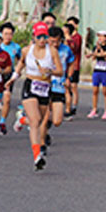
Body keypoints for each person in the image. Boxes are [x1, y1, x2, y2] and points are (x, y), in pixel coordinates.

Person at [8, 21, 63, 171]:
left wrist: (50, 71)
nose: (42, 40)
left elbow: (60, 71)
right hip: (30, 85)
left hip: (45, 88)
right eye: (39, 37)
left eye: (44, 36)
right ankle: (37, 156)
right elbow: (20, 66)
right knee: (35, 120)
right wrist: (12, 79)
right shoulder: (27, 50)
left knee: (38, 122)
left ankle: (21, 119)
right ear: (33, 36)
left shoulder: (52, 51)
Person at [39, 26, 74, 155]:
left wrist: (69, 77)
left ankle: (46, 128)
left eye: (57, 41)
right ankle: (42, 145)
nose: (54, 44)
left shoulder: (66, 50)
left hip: (59, 87)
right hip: (44, 86)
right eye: (51, 41)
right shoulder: (42, 50)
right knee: (44, 115)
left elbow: (71, 63)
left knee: (57, 120)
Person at [0, 22, 22, 135]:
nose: (8, 36)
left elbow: (21, 61)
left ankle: (2, 121)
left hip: (8, 75)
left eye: (10, 34)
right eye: (5, 34)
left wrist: (18, 71)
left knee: (6, 99)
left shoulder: (16, 47)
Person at [87, 31, 106, 119]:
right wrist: (96, 49)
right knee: (95, 91)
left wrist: (101, 49)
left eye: (102, 36)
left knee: (105, 91)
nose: (100, 38)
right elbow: (93, 58)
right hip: (97, 70)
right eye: (99, 36)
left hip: (105, 71)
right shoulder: (95, 47)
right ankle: (94, 109)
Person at [64, 17, 82, 119]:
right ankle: (68, 107)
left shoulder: (77, 37)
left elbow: (74, 49)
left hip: (74, 66)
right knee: (67, 88)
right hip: (66, 66)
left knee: (73, 87)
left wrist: (68, 39)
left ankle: (73, 107)